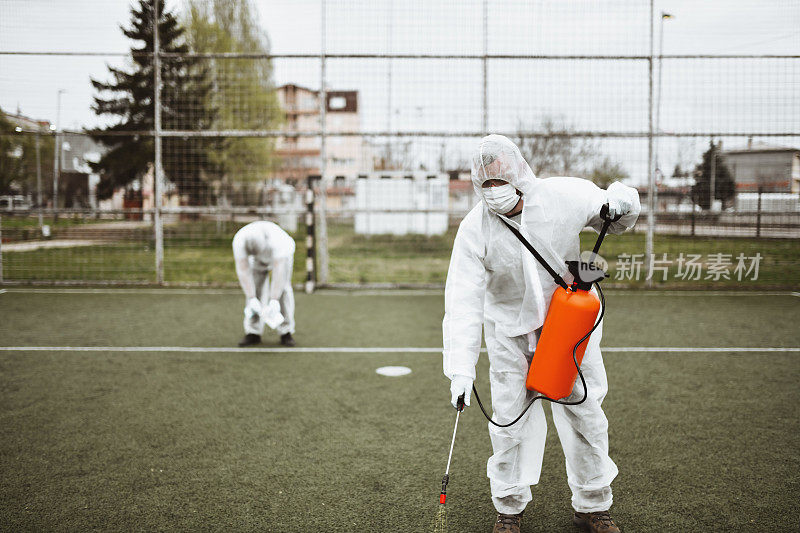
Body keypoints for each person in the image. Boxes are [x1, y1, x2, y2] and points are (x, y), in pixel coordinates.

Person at [442, 135, 640, 533]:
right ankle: (509, 511)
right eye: (486, 183)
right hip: (509, 335)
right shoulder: (474, 229)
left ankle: (593, 506)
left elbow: (617, 208)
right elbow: (463, 301)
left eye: (501, 179)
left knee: (585, 414)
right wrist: (461, 371)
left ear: (518, 172)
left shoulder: (561, 196)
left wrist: (622, 202)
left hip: (569, 328)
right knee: (509, 421)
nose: (494, 190)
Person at [232, 220, 297, 347]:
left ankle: (286, 331)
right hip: (257, 260)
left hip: (282, 257)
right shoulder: (239, 241)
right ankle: (253, 332)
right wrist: (251, 298)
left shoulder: (278, 241)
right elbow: (243, 270)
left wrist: (274, 299)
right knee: (255, 289)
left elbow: (279, 273)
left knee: (283, 290)